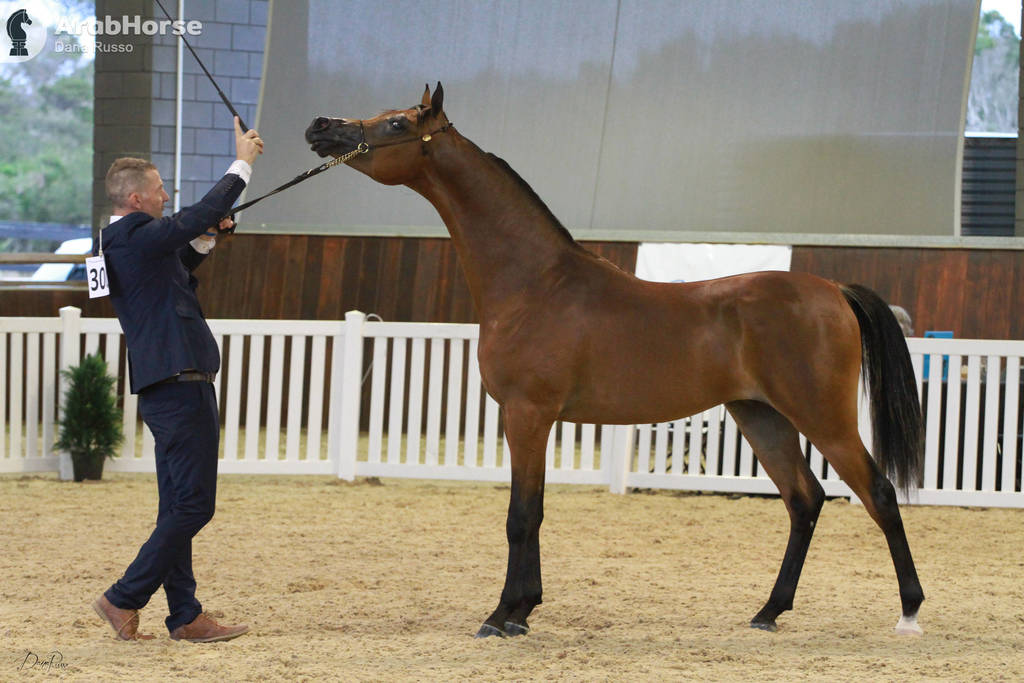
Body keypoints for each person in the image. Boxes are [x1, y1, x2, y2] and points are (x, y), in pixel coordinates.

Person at [91, 116, 263, 642]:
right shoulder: (133, 236)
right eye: (161, 189)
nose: (167, 195)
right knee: (194, 505)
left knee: (177, 506)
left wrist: (209, 238)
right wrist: (243, 163)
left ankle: (184, 615)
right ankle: (122, 597)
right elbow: (191, 220)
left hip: (170, 382)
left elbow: (178, 263)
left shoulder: (129, 243)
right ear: (138, 198)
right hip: (178, 381)